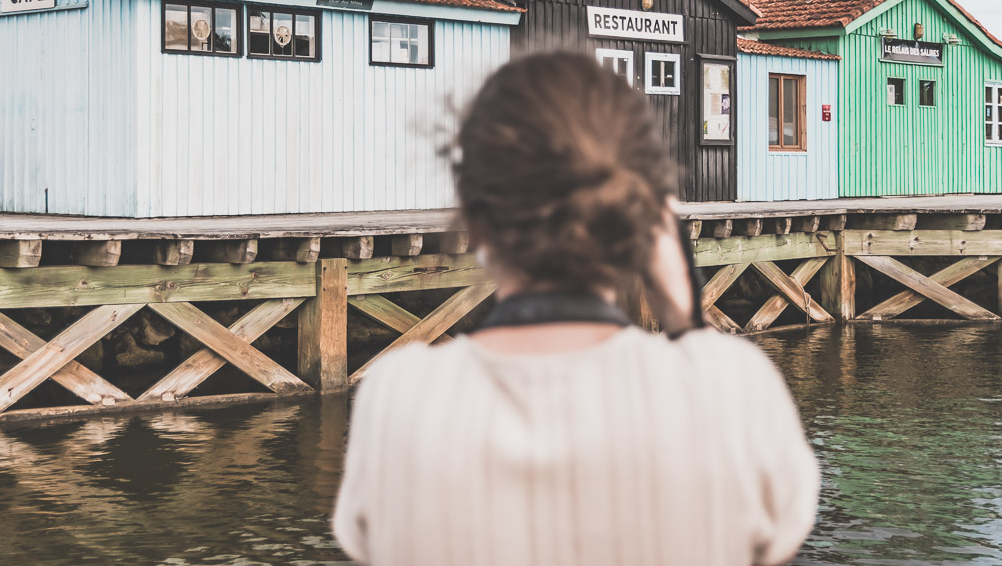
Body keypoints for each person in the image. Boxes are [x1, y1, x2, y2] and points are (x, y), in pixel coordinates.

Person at [333, 51, 820, 566]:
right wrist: (685, 322)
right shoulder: (731, 388)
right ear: (646, 220)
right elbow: (769, 543)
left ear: (474, 221)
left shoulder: (400, 398)